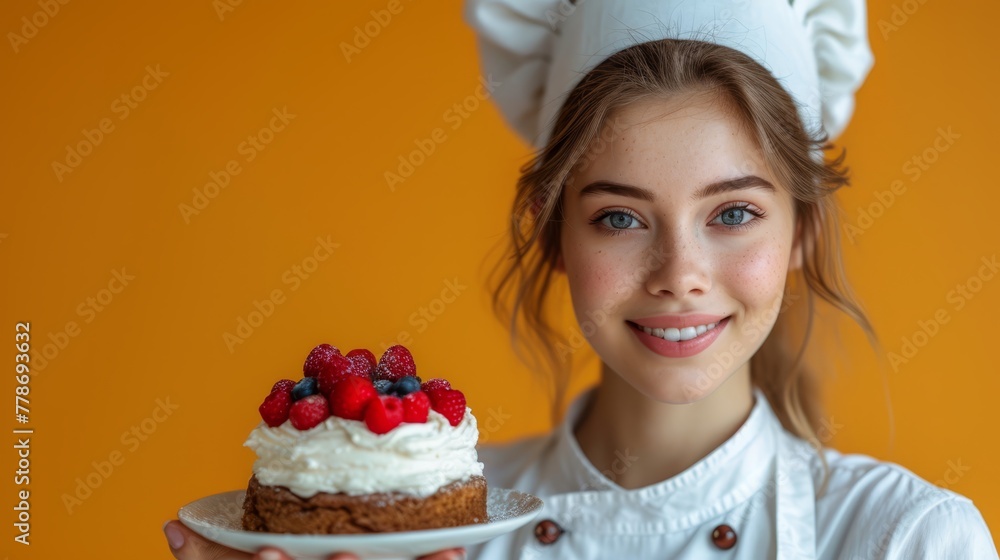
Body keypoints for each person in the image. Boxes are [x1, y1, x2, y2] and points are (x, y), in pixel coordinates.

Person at [165, 0, 999, 558]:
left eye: (734, 213)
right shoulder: (424, 527)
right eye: (621, 217)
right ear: (552, 231)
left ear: (802, 232)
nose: (680, 276)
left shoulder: (907, 539)